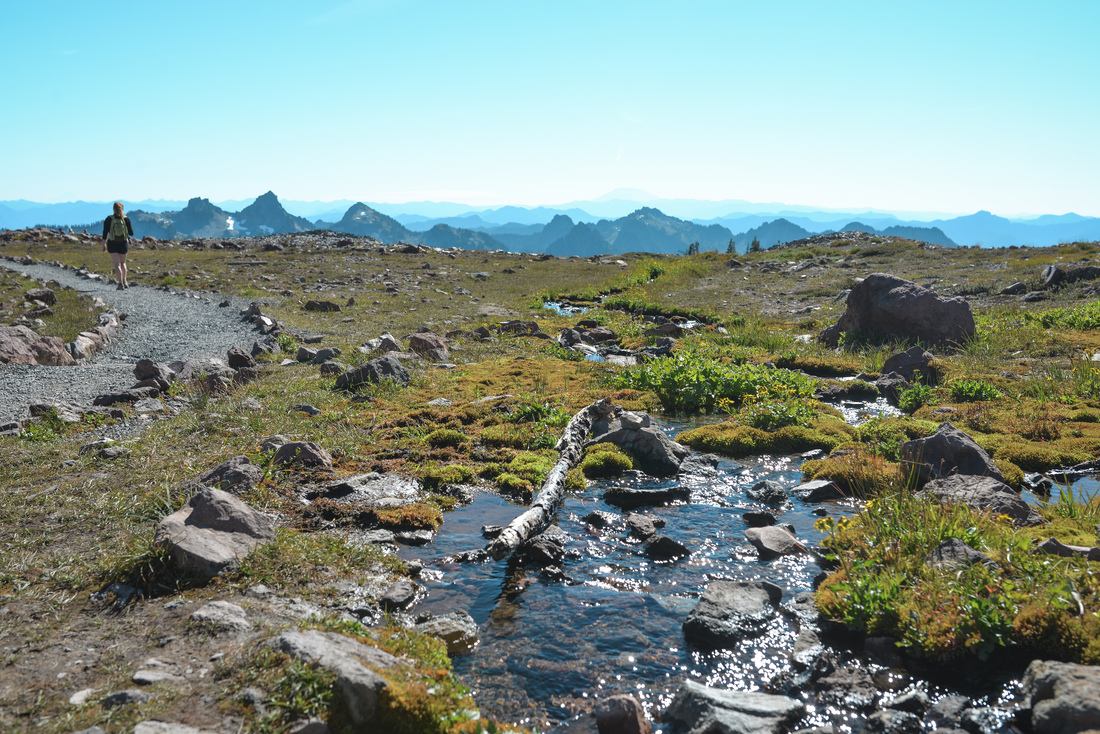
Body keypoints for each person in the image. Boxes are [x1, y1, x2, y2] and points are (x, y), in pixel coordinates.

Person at [101, 201, 134, 289]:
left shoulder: (109, 219)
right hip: (123, 243)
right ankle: (125, 281)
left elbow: (105, 233)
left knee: (117, 264)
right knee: (123, 263)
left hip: (112, 243)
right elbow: (131, 233)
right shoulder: (126, 219)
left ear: (113, 209)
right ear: (122, 209)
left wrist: (103, 244)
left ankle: (120, 284)